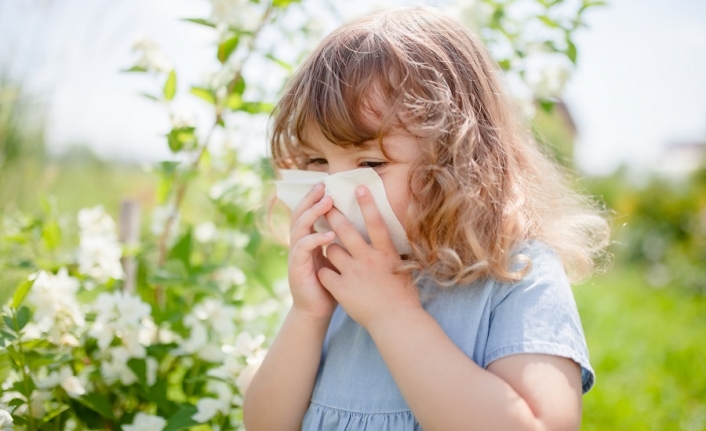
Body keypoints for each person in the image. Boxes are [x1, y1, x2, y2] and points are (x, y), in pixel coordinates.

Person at [243, 6, 610, 431]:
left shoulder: (516, 274)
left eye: (369, 164)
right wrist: (308, 316)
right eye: (315, 160)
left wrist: (392, 315)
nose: (334, 191)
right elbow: (265, 425)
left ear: (457, 160)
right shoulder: (338, 280)